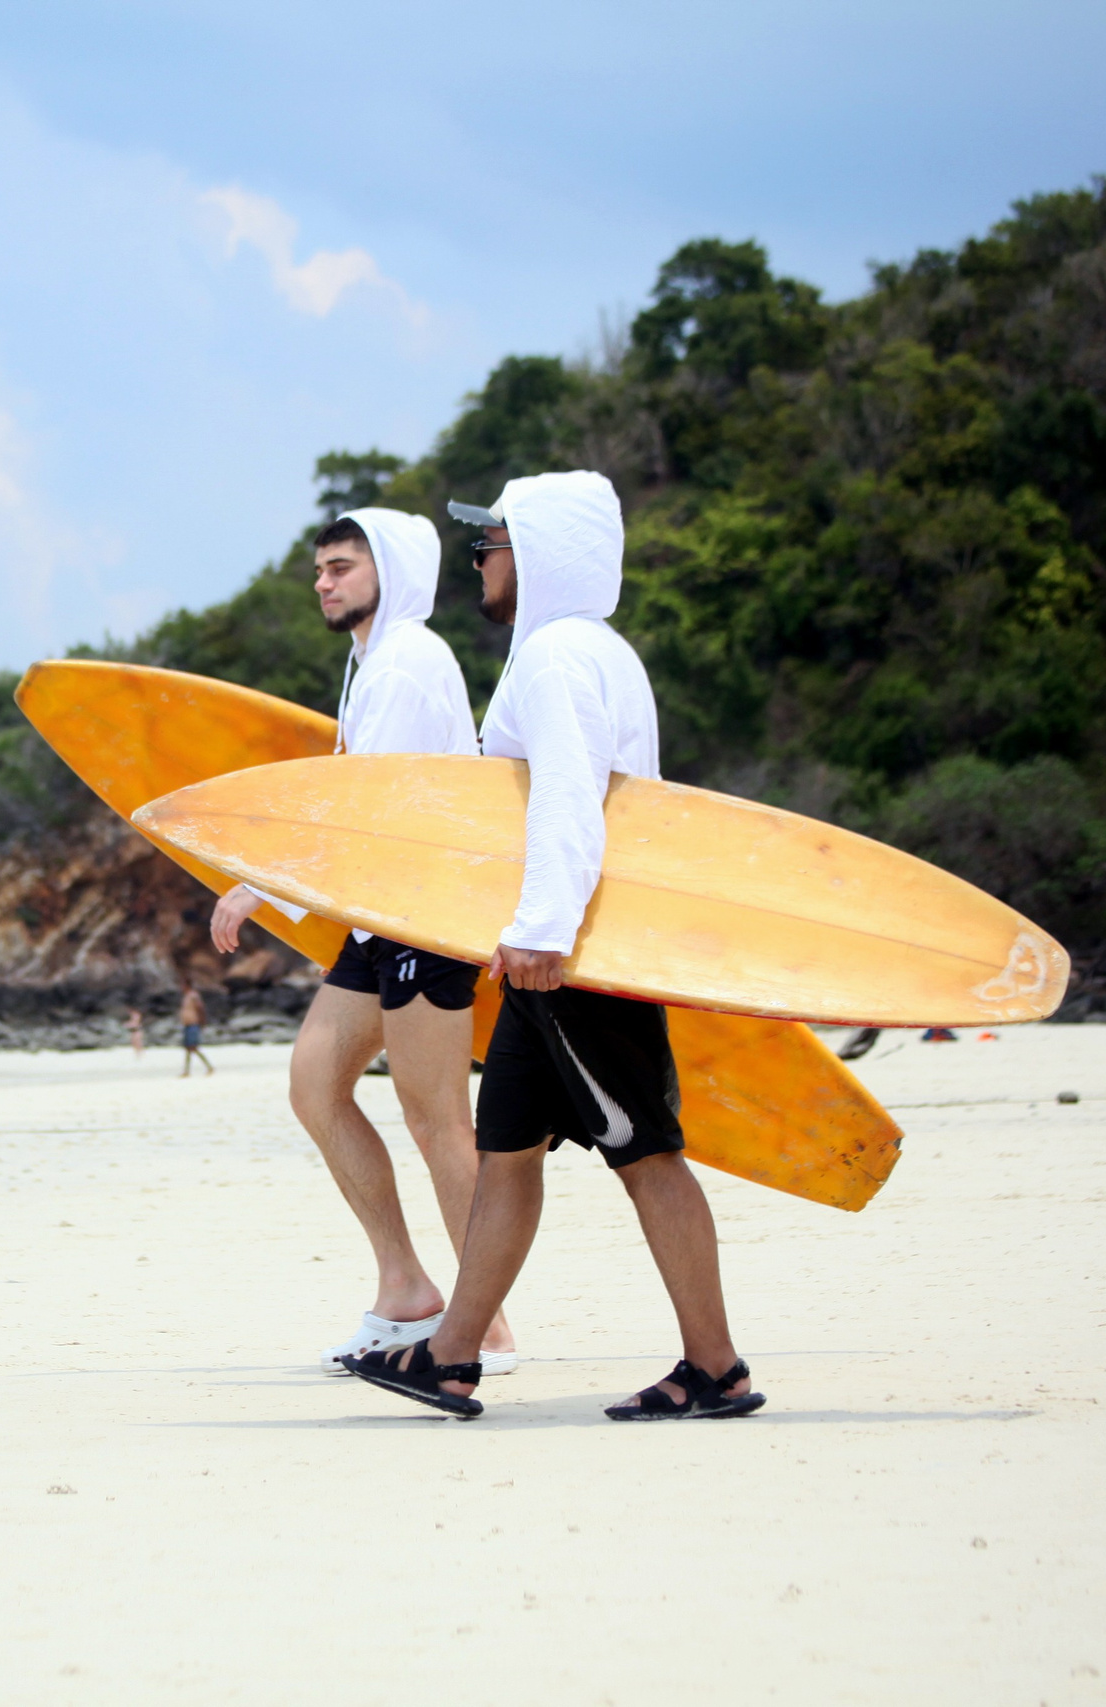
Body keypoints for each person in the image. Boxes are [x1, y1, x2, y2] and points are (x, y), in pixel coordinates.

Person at [343, 472, 763, 1423]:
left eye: (492, 543)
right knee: (507, 1153)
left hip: (572, 958)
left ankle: (717, 1367)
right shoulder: (573, 651)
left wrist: (540, 932)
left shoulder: (562, 658)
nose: (482, 561)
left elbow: (573, 799)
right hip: (548, 955)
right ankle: (450, 1358)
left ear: (533, 553)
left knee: (646, 1150)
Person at [204, 507, 512, 1375]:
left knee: (438, 1120)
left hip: (425, 918)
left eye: (341, 566)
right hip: (378, 919)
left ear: (392, 570)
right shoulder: (370, 661)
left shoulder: (409, 663)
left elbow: (365, 815)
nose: (324, 581)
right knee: (315, 1081)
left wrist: (260, 885)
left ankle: (488, 1326)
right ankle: (407, 1287)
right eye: (320, 570)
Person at [176, 978, 213, 1078]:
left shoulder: (193, 996)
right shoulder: (186, 996)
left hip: (193, 1024)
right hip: (187, 1025)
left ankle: (209, 1067)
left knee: (193, 1047)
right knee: (188, 1048)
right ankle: (187, 1070)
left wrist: (202, 1022)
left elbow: (200, 1008)